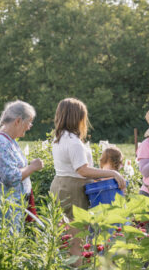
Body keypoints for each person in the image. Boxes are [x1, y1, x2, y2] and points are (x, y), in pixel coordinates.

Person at [50, 98, 126, 259]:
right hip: (73, 189)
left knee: (65, 237)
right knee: (76, 240)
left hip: (60, 185)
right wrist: (113, 173)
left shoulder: (60, 138)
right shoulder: (73, 142)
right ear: (76, 117)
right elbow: (82, 170)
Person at [0, 100, 43, 231]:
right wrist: (32, 167)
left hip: (13, 207)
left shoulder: (9, 141)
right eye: (28, 122)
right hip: (5, 209)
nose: (29, 126)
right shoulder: (1, 142)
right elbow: (10, 177)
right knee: (7, 247)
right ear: (18, 121)